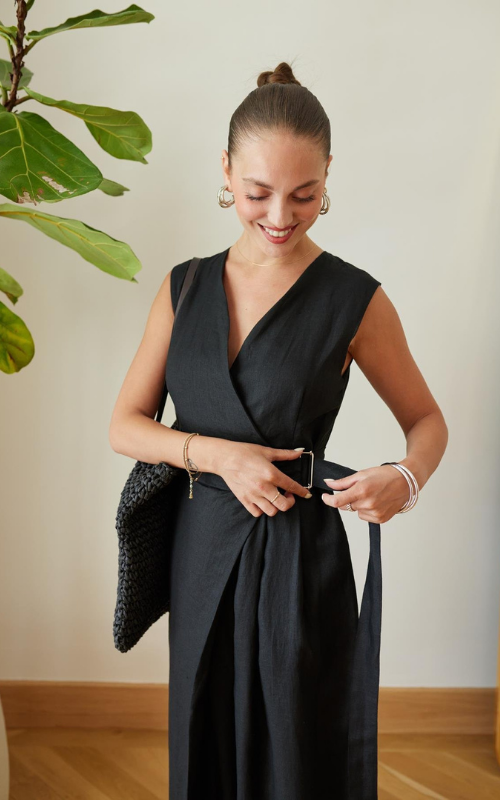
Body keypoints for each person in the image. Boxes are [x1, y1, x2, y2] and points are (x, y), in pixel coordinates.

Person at [109, 61, 448, 800]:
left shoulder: (354, 298)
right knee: (202, 738)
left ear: (328, 178)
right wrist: (216, 456)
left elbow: (427, 421)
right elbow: (125, 426)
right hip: (199, 553)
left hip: (299, 560)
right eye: (258, 192)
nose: (280, 215)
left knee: (296, 753)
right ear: (226, 171)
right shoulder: (184, 287)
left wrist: (406, 476)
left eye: (304, 194)